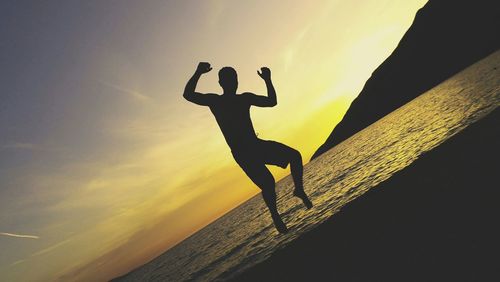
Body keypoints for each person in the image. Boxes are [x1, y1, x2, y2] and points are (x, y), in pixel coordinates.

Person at [183, 62, 313, 233]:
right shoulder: (215, 101)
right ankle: (275, 215)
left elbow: (271, 102)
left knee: (294, 156)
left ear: (237, 81)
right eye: (229, 80)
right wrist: (198, 72)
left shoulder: (244, 98)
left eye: (234, 79)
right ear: (221, 83)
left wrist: (268, 80)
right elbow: (188, 94)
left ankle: (299, 190)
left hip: (256, 144)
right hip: (242, 152)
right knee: (267, 183)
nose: (233, 82)